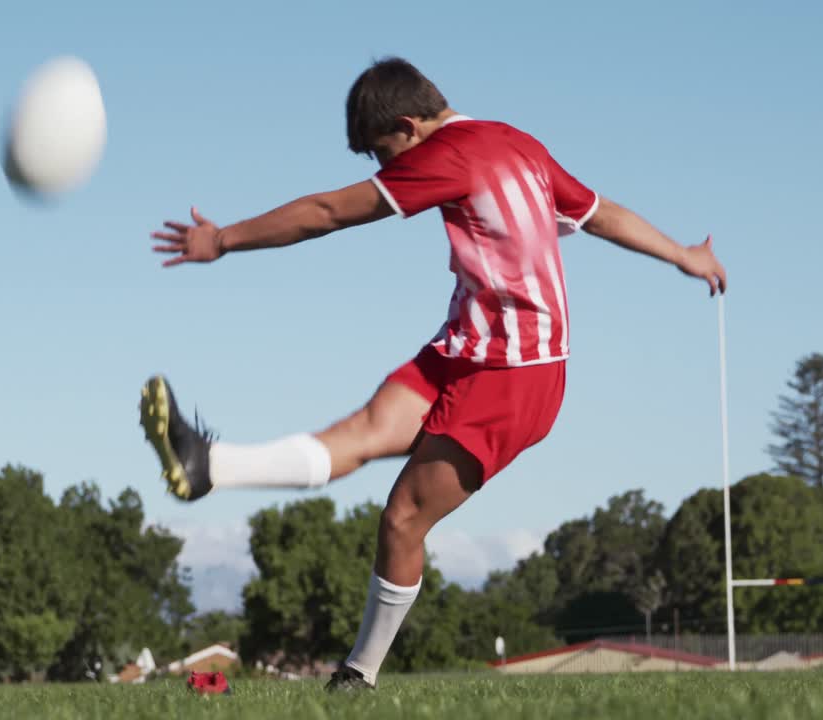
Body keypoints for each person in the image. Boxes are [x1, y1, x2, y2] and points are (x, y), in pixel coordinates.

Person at [140, 57, 726, 690]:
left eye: (383, 153)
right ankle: (210, 467)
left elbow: (330, 211)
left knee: (403, 518)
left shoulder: (447, 153)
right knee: (363, 431)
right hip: (464, 347)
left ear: (409, 124)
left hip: (517, 374)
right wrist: (682, 255)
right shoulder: (516, 144)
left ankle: (358, 676)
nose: (387, 172)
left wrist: (225, 239)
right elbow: (601, 212)